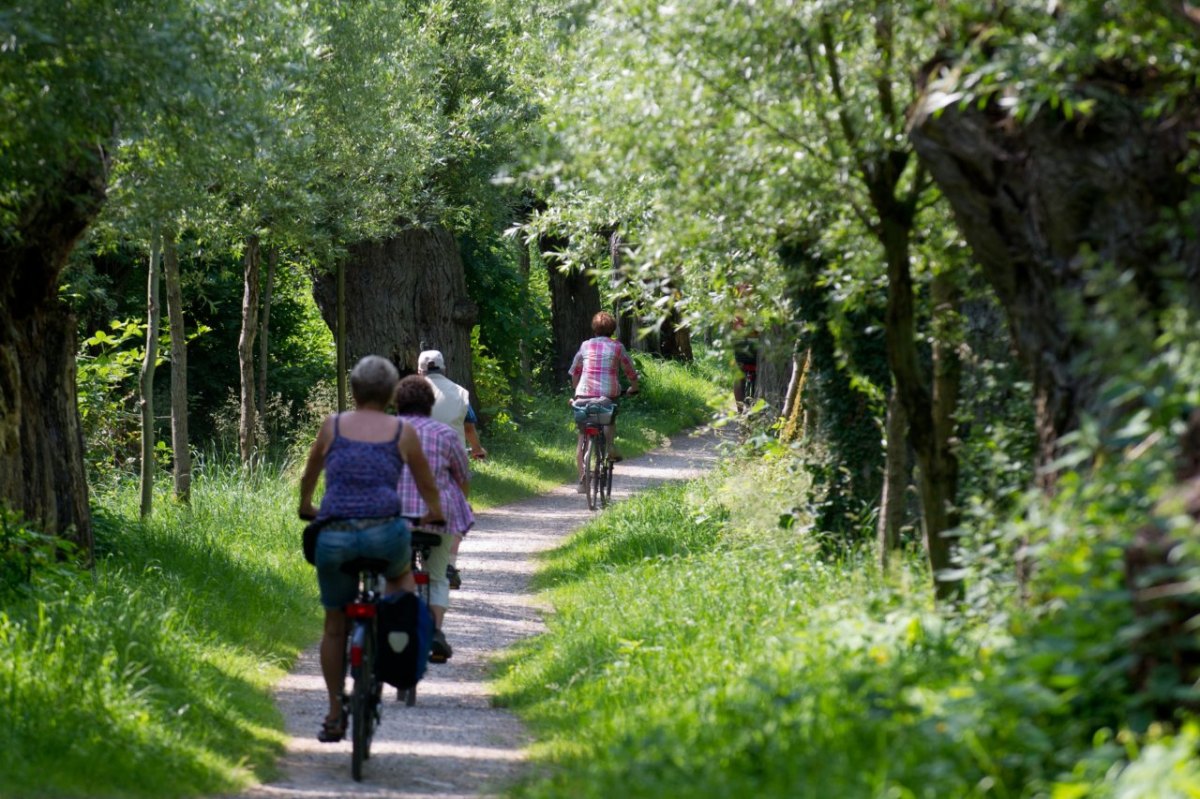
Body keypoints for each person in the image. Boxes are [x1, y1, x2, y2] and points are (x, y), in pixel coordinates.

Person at [298, 355, 445, 744]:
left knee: (334, 625)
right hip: (386, 534)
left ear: (354, 390)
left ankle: (333, 712)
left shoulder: (332, 426)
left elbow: (310, 472)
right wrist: (434, 513)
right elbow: (427, 484)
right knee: (401, 584)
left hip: (335, 535)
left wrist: (306, 506)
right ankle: (391, 639)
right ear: (391, 394)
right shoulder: (402, 431)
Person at [392, 375, 475, 663]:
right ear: (430, 404)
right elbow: (463, 478)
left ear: (397, 404)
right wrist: (461, 500)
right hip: (438, 518)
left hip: (396, 521)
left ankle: (392, 625)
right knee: (437, 577)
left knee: (391, 573)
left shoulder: (385, 433)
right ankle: (436, 633)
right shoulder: (445, 434)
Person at [417, 349, 486, 586]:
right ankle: (449, 564)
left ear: (420, 370)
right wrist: (477, 448)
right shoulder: (459, 393)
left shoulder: (409, 392)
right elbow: (468, 429)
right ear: (444, 368)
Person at [569, 311, 639, 492]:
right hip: (608, 394)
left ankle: (583, 481)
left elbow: (575, 370)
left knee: (582, 438)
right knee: (609, 414)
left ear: (594, 328)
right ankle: (610, 447)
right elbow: (629, 369)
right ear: (612, 329)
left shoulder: (585, 346)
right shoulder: (617, 347)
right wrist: (634, 387)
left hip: (583, 395)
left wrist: (577, 390)